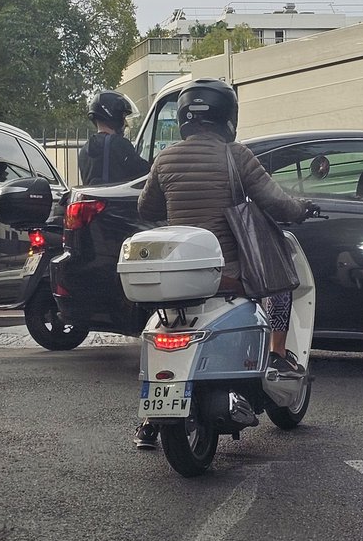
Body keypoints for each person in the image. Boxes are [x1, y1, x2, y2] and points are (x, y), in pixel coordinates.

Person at [132, 78, 317, 450]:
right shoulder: (236, 155)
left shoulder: (165, 158)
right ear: (227, 116)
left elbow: (146, 209)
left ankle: (152, 418)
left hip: (180, 278)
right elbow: (275, 202)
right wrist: (300, 209)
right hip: (229, 276)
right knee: (281, 286)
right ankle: (277, 357)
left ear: (184, 116)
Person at [77, 91, 149, 186]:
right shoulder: (119, 144)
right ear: (114, 116)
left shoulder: (84, 151)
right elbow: (145, 172)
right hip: (116, 199)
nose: (126, 123)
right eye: (123, 117)